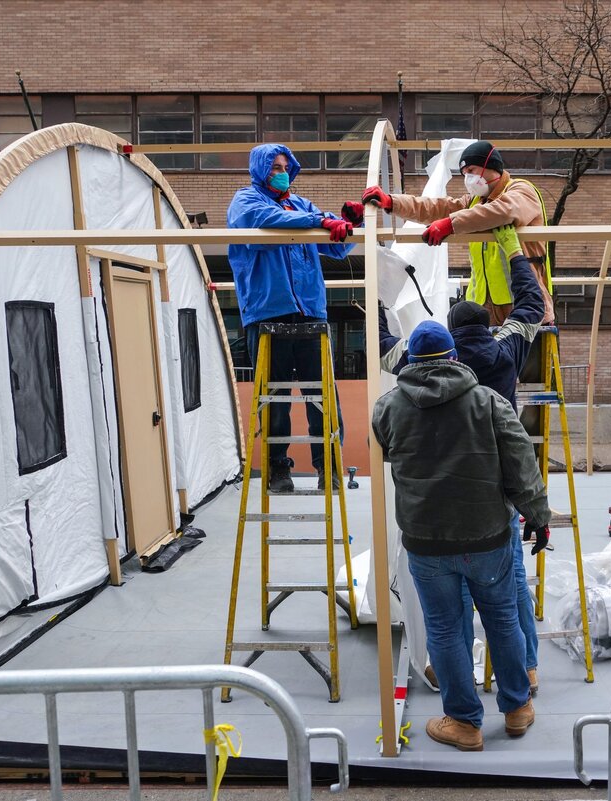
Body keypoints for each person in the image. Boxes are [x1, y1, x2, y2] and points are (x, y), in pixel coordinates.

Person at [378, 224, 543, 694]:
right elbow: (530, 306)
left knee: (448, 623)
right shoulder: (504, 354)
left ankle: (462, 711)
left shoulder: (403, 384)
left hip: (431, 524)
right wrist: (513, 252)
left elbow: (388, 351)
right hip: (493, 507)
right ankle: (523, 681)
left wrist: (377, 292)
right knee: (509, 600)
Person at [372, 320, 551, 752]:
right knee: (503, 618)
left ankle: (464, 723)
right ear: (454, 357)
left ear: (411, 363)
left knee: (446, 631)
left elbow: (388, 449)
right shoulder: (488, 403)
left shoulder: (388, 407)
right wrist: (538, 517)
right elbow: (521, 464)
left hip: (426, 543)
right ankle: (516, 709)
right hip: (487, 537)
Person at [226, 143, 365, 492]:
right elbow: (268, 221)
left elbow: (337, 246)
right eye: (273, 167)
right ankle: (277, 470)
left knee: (323, 398)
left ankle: (329, 469)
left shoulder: (300, 205)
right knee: (275, 399)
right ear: (260, 170)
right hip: (268, 313)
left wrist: (349, 222)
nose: (280, 172)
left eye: (285, 166)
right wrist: (320, 220)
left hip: (309, 314)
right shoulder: (246, 202)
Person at [362, 140, 554, 326]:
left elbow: (504, 211)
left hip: (523, 303)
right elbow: (435, 207)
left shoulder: (521, 191)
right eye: (464, 173)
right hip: (485, 308)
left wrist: (451, 224)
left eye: (471, 171)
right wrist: (391, 202)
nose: (467, 179)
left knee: (527, 359)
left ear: (490, 166)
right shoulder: (475, 202)